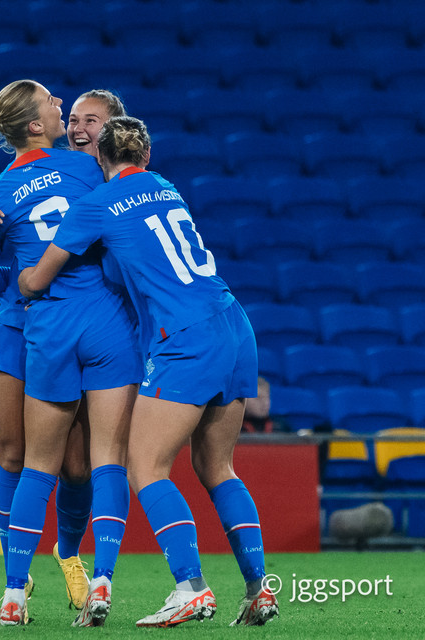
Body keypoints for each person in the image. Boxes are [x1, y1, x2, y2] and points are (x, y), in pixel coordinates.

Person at [19, 116, 280, 628]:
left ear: (101, 157)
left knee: (145, 466)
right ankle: (258, 590)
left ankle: (191, 588)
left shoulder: (96, 204)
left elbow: (39, 278)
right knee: (218, 468)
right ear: (146, 156)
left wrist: (23, 278)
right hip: (233, 324)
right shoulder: (165, 186)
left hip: (185, 336)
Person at [0, 80, 142, 628]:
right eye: (54, 103)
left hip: (43, 318)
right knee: (18, 454)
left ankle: (58, 563)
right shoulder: (87, 170)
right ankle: (26, 576)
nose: (63, 106)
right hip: (45, 324)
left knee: (66, 464)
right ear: (37, 124)